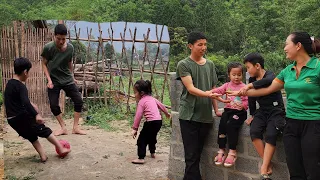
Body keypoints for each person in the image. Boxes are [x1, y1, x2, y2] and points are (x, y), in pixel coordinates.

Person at [228, 32, 320, 180]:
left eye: (286, 44)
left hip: (314, 124)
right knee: (295, 170)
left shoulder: (318, 67)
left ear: (298, 46)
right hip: (291, 124)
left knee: (313, 170)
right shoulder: (287, 71)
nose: (284, 48)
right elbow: (268, 89)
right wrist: (239, 93)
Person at [176, 31, 225, 180]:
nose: (203, 47)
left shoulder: (210, 64)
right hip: (189, 115)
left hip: (204, 115)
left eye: (205, 44)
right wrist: (209, 94)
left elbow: (213, 88)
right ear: (190, 46)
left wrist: (216, 110)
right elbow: (191, 89)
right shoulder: (183, 64)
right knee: (191, 155)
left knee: (196, 153)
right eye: (200, 45)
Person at [4, 57, 71, 162]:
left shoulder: (9, 84)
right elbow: (25, 103)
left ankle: (43, 156)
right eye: (29, 72)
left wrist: (32, 104)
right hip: (20, 117)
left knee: (32, 136)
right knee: (43, 129)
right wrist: (36, 115)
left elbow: (16, 100)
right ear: (25, 72)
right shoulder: (21, 86)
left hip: (11, 120)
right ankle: (61, 148)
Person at [240, 53, 285, 179]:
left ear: (258, 66)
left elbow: (268, 81)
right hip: (262, 111)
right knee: (254, 132)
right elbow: (251, 99)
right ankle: (267, 163)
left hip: (276, 110)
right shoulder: (252, 80)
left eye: (248, 67)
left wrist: (249, 86)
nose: (248, 71)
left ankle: (264, 167)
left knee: (271, 134)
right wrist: (253, 114)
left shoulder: (270, 75)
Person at [41, 24, 86, 136]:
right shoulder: (48, 48)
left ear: (66, 37)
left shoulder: (70, 48)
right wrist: (49, 80)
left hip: (67, 79)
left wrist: (72, 76)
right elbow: (44, 64)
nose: (61, 41)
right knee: (54, 106)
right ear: (54, 36)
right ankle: (63, 127)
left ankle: (75, 127)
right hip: (54, 80)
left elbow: (69, 62)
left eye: (63, 39)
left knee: (78, 101)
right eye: (58, 39)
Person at [212, 62, 248, 167]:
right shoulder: (227, 85)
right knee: (222, 125)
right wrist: (209, 92)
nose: (236, 77)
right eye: (234, 74)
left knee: (231, 125)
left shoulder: (244, 87)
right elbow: (218, 91)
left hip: (239, 113)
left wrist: (244, 106)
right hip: (228, 111)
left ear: (242, 75)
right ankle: (221, 149)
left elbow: (248, 100)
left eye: (239, 74)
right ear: (229, 75)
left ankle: (232, 151)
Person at [131, 80, 170, 164]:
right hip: (158, 122)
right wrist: (167, 113)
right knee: (152, 137)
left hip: (150, 122)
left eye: (135, 92)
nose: (134, 95)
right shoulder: (152, 99)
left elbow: (138, 115)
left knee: (142, 139)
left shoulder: (142, 101)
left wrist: (135, 128)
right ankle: (152, 152)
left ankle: (141, 158)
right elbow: (162, 106)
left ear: (141, 93)